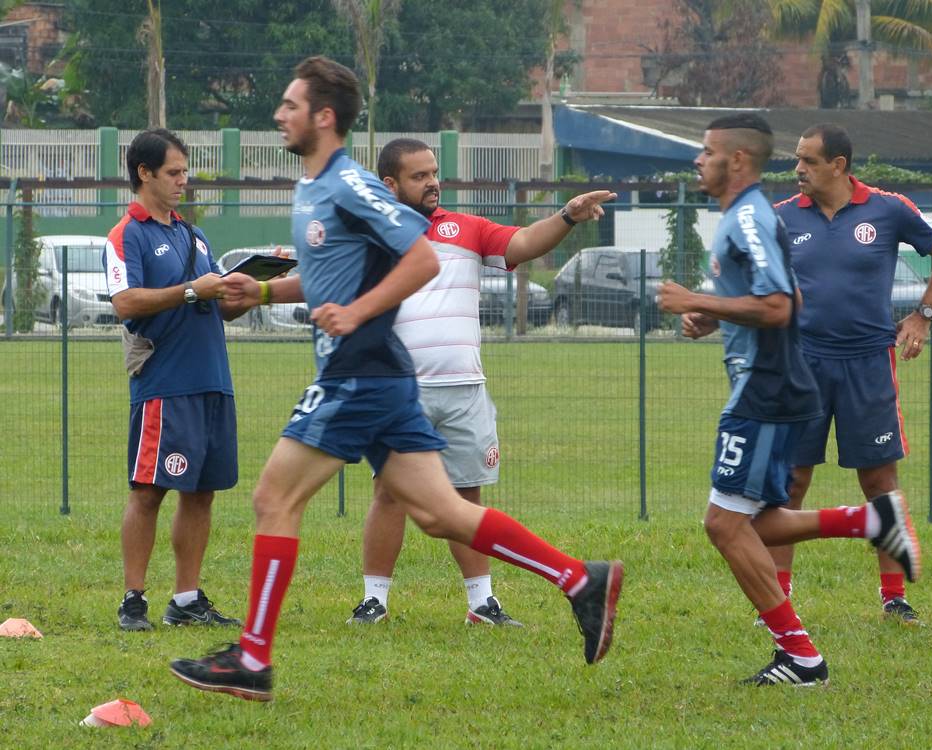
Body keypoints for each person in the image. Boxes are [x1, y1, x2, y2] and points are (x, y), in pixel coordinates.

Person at [169, 56, 623, 702]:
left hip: (358, 373)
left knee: (275, 499)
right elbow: (340, 274)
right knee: (442, 514)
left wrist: (355, 313)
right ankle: (581, 580)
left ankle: (252, 657)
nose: (280, 114)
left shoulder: (348, 186)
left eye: (291, 105)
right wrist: (266, 290)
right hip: (386, 378)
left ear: (323, 117)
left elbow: (421, 260)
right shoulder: (316, 185)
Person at [657, 113, 922, 686]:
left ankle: (802, 656)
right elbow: (794, 296)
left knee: (726, 525)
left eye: (707, 152)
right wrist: (715, 314)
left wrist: (694, 299)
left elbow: (777, 307)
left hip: (765, 386)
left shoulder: (749, 219)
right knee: (754, 519)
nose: (698, 161)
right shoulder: (766, 218)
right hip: (775, 379)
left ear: (738, 160)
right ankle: (867, 521)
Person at [346, 137, 616, 627]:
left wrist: (568, 216)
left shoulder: (465, 228)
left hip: (466, 388)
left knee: (466, 496)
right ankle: (374, 602)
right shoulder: (372, 235)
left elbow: (523, 243)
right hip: (401, 392)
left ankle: (481, 605)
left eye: (434, 173)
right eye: (419, 176)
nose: (433, 182)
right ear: (390, 184)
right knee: (389, 493)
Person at [771, 124, 932, 625]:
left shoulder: (888, 208)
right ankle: (777, 599)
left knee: (879, 482)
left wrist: (923, 314)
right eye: (797, 160)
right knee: (789, 482)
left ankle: (894, 598)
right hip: (803, 365)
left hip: (868, 364)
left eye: (809, 161)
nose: (799, 170)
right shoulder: (782, 218)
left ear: (838, 165)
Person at [104, 129, 255, 631]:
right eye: (173, 172)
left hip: (213, 380)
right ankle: (133, 600)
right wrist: (193, 289)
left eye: (185, 172)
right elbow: (126, 304)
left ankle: (187, 599)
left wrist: (244, 290)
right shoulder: (128, 234)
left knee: (202, 492)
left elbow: (214, 306)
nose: (183, 182)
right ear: (144, 173)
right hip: (165, 387)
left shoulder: (194, 235)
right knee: (149, 490)